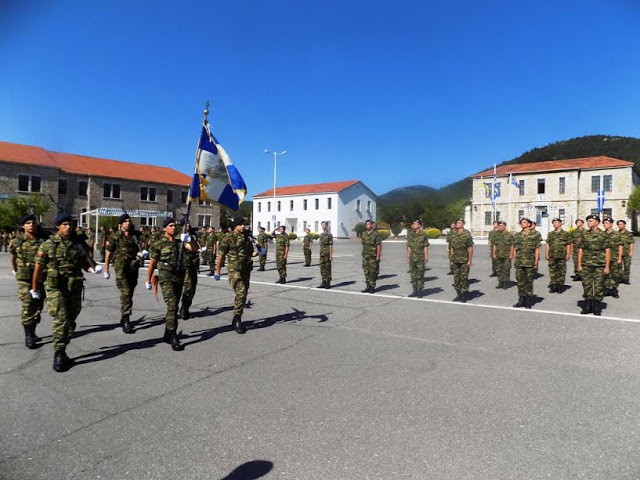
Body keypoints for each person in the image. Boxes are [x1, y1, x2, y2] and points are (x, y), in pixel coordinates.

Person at [33, 213, 102, 372]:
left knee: (71, 320)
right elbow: (38, 267)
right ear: (58, 226)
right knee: (62, 319)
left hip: (74, 287)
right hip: (55, 287)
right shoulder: (48, 245)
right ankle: (59, 353)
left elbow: (85, 264)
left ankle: (62, 347)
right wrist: (34, 288)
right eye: (64, 224)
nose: (68, 227)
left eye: (70, 224)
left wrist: (92, 269)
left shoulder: (77, 244)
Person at [146, 217, 196, 351]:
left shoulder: (180, 242)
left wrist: (190, 238)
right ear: (164, 228)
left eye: (174, 226)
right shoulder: (159, 243)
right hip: (165, 277)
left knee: (173, 306)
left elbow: (193, 249)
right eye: (171, 226)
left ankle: (167, 333)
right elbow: (152, 263)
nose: (174, 228)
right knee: (172, 305)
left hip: (178, 277)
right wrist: (148, 279)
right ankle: (173, 335)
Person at [104, 214, 146, 333]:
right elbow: (108, 254)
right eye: (125, 221)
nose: (128, 223)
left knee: (130, 292)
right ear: (121, 224)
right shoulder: (115, 237)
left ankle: (124, 317)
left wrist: (140, 254)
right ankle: (126, 319)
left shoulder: (134, 236)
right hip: (120, 269)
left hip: (132, 268)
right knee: (126, 293)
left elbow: (137, 250)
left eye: (129, 221)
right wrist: (106, 270)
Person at [214, 217, 257, 334]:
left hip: (246, 269)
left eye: (244, 224)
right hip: (235, 270)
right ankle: (237, 318)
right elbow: (221, 255)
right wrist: (217, 271)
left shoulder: (247, 238)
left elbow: (250, 253)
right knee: (241, 293)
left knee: (242, 295)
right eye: (240, 224)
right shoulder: (228, 238)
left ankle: (237, 317)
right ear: (235, 226)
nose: (243, 226)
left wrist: (257, 252)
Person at [10, 214, 46, 349]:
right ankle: (28, 336)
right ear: (22, 226)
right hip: (24, 279)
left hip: (41, 278)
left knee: (38, 307)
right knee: (27, 306)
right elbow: (13, 257)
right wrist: (15, 270)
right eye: (28, 223)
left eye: (33, 223)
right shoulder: (17, 241)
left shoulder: (42, 240)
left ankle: (33, 330)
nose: (31, 225)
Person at [577, 214, 611, 315]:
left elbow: (608, 251)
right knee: (586, 285)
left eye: (590, 221)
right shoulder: (584, 234)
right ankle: (587, 306)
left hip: (599, 265)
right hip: (586, 264)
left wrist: (607, 266)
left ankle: (597, 307)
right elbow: (580, 250)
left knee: (598, 286)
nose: (588, 223)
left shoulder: (604, 235)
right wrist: (579, 264)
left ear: (597, 222)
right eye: (587, 221)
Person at [511, 217, 540, 308]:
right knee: (520, 282)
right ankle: (521, 299)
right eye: (521, 222)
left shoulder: (535, 235)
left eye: (524, 222)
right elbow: (515, 248)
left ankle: (528, 300)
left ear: (529, 224)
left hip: (530, 262)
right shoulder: (517, 235)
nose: (522, 224)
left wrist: (536, 262)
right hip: (519, 262)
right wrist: (514, 260)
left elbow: (537, 249)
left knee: (529, 282)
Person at [179, 219, 201, 320]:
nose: (188, 225)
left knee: (192, 288)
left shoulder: (192, 235)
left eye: (188, 223)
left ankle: (185, 307)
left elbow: (197, 245)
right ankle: (182, 309)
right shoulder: (179, 235)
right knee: (187, 288)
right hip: (183, 265)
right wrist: (188, 240)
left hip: (192, 265)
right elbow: (191, 248)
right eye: (185, 223)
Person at [449, 218, 474, 302]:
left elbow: (470, 248)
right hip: (455, 260)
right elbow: (452, 248)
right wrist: (452, 260)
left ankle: (464, 295)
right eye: (457, 223)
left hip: (464, 260)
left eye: (459, 223)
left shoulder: (467, 234)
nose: (457, 224)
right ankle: (458, 294)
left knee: (464, 278)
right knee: (456, 278)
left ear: (463, 224)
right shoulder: (453, 234)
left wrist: (470, 260)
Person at [545, 217, 570, 293]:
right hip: (552, 255)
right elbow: (548, 244)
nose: (554, 224)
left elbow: (568, 244)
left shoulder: (565, 234)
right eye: (553, 223)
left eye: (556, 222)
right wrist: (546, 254)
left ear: (560, 223)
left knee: (561, 271)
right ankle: (553, 285)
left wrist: (568, 254)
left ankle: (560, 286)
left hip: (562, 255)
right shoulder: (550, 234)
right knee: (552, 271)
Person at [406, 219, 429, 298]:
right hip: (412, 258)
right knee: (413, 275)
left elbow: (425, 247)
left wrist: (426, 257)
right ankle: (414, 290)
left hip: (420, 258)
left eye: (415, 224)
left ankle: (420, 291)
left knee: (420, 275)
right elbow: (409, 247)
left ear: (419, 225)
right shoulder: (411, 234)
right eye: (413, 223)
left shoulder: (423, 234)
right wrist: (408, 256)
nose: (414, 225)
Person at [602, 217, 623, 298]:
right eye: (604, 223)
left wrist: (620, 258)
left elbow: (620, 246)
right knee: (605, 274)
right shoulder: (602, 234)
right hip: (604, 258)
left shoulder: (617, 234)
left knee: (615, 275)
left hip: (614, 257)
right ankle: (606, 289)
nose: (604, 225)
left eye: (606, 223)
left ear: (611, 224)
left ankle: (614, 290)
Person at [361, 219, 382, 293]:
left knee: (373, 272)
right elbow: (363, 244)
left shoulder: (375, 234)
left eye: (369, 224)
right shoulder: (363, 234)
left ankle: (372, 286)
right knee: (366, 271)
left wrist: (378, 256)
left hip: (373, 256)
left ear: (372, 225)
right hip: (365, 256)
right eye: (366, 224)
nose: (367, 225)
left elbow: (378, 246)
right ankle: (368, 286)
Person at [492, 220, 512, 289]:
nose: (500, 227)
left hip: (506, 255)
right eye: (499, 225)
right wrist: (494, 253)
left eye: (501, 225)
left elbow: (512, 245)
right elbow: (495, 244)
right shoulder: (496, 234)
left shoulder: (509, 234)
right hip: (498, 254)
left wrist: (511, 254)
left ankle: (506, 282)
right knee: (499, 269)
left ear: (505, 226)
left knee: (506, 269)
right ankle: (500, 282)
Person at [617, 219, 634, 285]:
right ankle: (620, 278)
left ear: (624, 225)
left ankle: (626, 279)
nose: (619, 226)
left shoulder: (629, 234)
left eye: (621, 224)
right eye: (618, 224)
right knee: (619, 267)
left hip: (627, 253)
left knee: (627, 266)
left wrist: (631, 252)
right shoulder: (617, 234)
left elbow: (631, 243)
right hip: (618, 253)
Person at [318, 221, 333, 289]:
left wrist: (330, 255)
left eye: (324, 225)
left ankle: (328, 282)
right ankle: (323, 281)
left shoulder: (329, 234)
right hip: (322, 254)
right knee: (322, 268)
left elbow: (330, 245)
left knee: (327, 268)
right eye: (322, 225)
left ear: (326, 226)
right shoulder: (321, 235)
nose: (323, 226)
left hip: (327, 253)